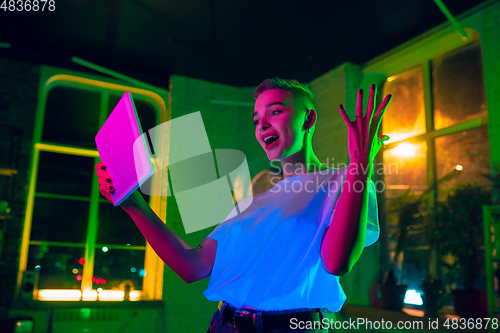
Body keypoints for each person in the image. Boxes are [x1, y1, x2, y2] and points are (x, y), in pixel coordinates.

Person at [95, 78, 391, 332]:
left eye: (275, 111)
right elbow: (192, 266)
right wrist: (133, 204)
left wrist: (361, 163)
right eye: (256, 119)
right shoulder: (251, 203)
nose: (262, 124)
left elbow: (336, 262)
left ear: (309, 120)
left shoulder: (343, 179)